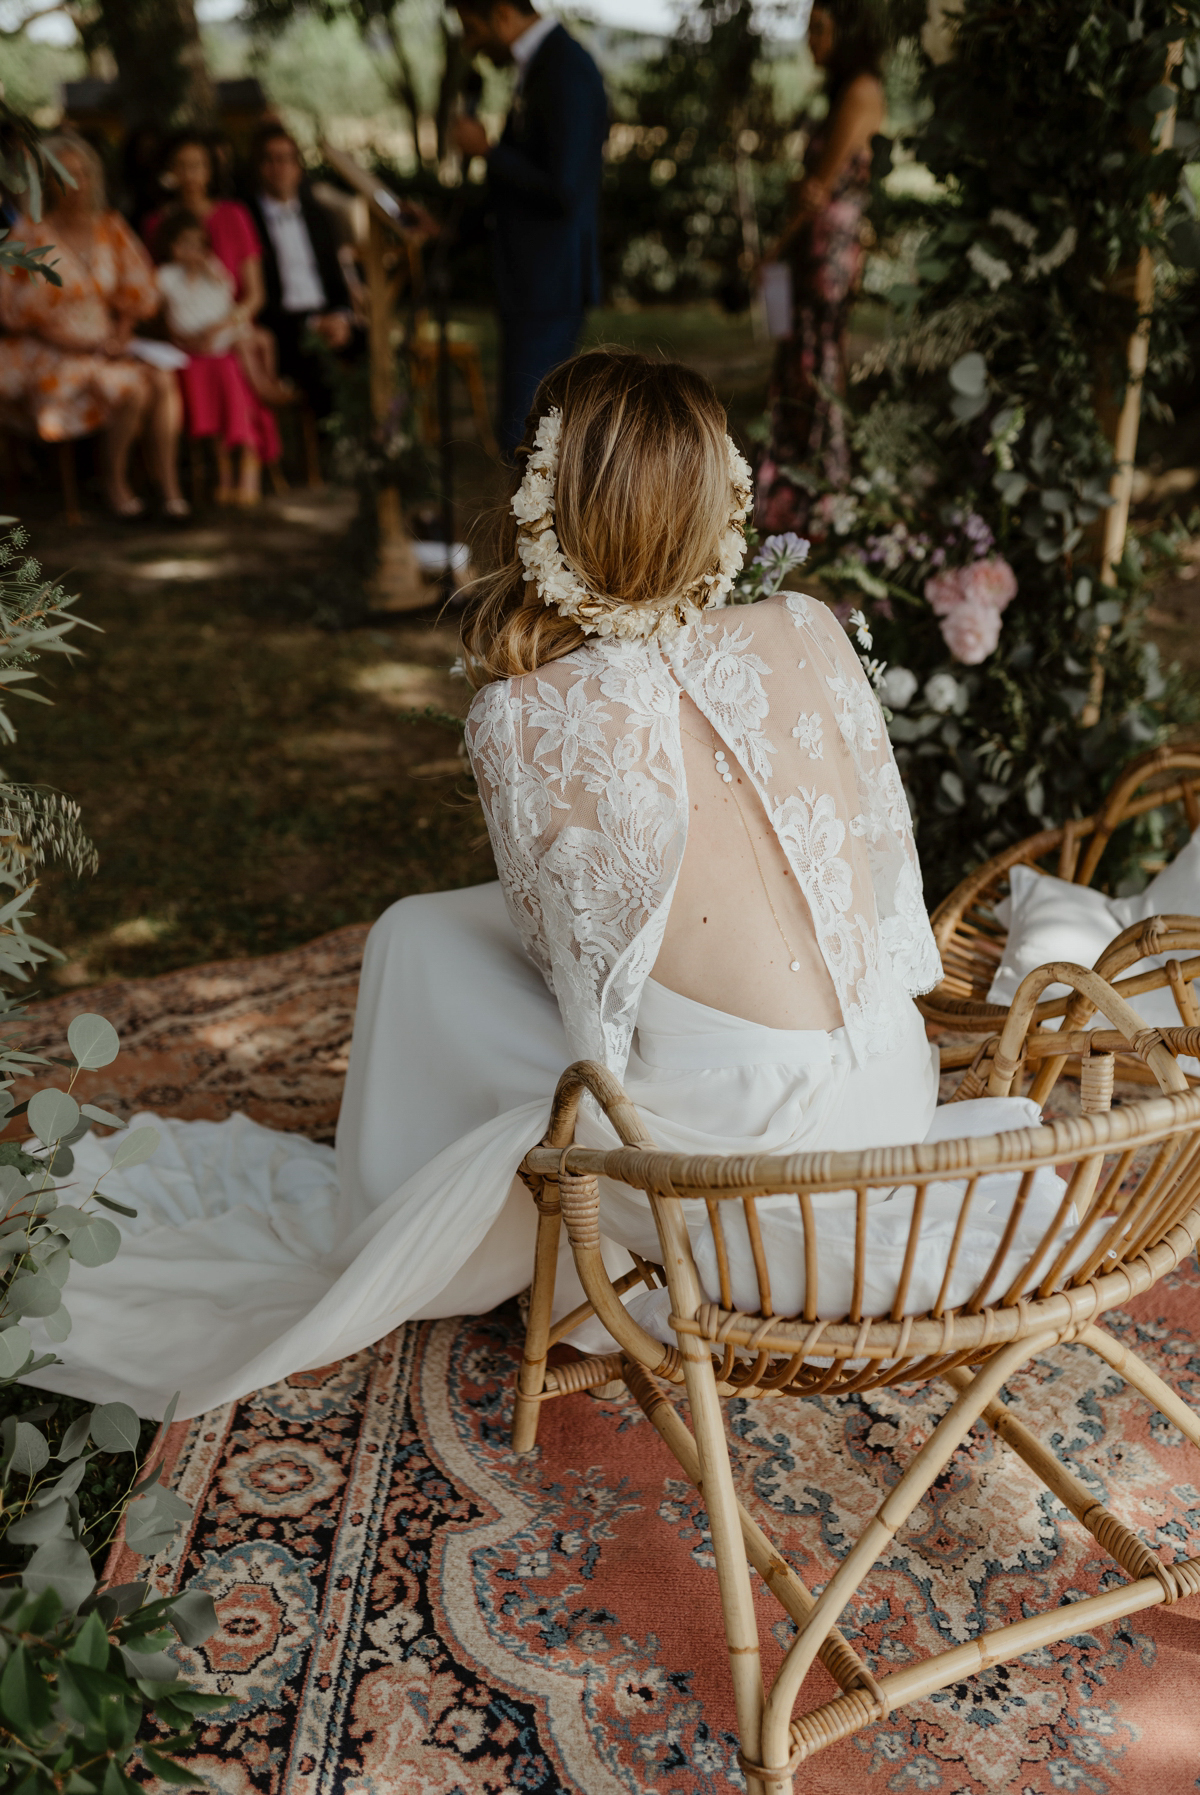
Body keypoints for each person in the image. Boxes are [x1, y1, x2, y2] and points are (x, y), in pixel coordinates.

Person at [18, 348, 941, 1421]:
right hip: (891, 1094)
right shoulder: (806, 628)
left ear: (539, 501)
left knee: (440, 964)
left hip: (740, 1175)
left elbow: (592, 1021)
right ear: (718, 500)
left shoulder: (524, 713)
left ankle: (393, 1219)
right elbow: (884, 898)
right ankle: (407, 1168)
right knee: (420, 932)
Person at [0, 132, 187, 519]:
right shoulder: (30, 236)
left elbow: (138, 292)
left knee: (163, 380)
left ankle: (169, 491)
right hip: (53, 352)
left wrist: (119, 334)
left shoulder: (110, 227)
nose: (76, 184)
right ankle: (115, 484)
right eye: (65, 175)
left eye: (82, 174)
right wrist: (81, 345)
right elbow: (15, 313)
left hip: (108, 344)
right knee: (134, 389)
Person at [451, 0, 608, 457]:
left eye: (471, 26)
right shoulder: (539, 66)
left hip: (550, 283)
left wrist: (488, 151)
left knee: (528, 439)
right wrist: (452, 230)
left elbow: (564, 188)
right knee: (524, 434)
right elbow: (517, 192)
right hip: (529, 284)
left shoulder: (566, 68)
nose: (469, 43)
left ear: (500, 12)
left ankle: (532, 530)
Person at [755, 0, 887, 534]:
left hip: (825, 250)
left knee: (816, 360)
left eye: (820, 29)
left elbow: (817, 190)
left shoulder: (860, 91)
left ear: (847, 33)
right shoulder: (842, 92)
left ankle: (815, 499)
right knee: (802, 356)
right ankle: (798, 495)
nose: (810, 41)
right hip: (819, 244)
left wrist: (772, 250)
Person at [155, 209, 282, 505]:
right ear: (172, 246)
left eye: (199, 245)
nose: (194, 251)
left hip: (221, 335)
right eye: (185, 245)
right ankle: (264, 388)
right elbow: (164, 317)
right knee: (236, 359)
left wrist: (207, 270)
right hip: (194, 347)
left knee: (246, 347)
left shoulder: (212, 269)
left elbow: (226, 298)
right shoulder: (165, 277)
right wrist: (188, 338)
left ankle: (262, 387)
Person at [244, 123, 356, 420]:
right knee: (317, 364)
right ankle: (331, 449)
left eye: (286, 159)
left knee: (377, 348)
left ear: (299, 168)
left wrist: (342, 316)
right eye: (270, 159)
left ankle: (380, 441)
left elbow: (337, 278)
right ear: (259, 167)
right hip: (283, 325)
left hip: (328, 315)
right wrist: (312, 324)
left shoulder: (320, 217)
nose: (279, 167)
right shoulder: (247, 219)